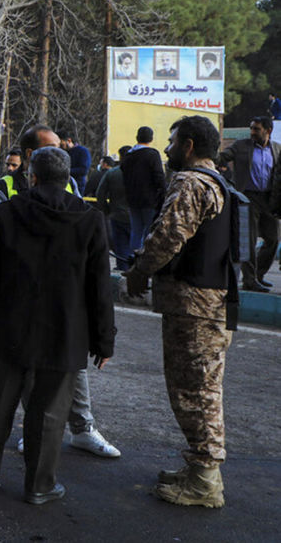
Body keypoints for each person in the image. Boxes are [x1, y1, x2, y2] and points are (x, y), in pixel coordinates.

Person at [0, 147, 115, 505]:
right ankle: (39, 485)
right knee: (50, 412)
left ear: (32, 176)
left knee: (0, 401)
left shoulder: (7, 213)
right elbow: (99, 287)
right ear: (68, 180)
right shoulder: (90, 219)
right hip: (65, 334)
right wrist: (104, 341)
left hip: (11, 327)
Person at [125, 116, 234, 508]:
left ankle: (205, 481)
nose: (168, 148)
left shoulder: (190, 182)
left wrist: (139, 271)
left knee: (196, 391)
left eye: (172, 142)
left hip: (195, 306)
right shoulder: (218, 181)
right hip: (209, 303)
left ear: (188, 146)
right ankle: (200, 470)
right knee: (199, 387)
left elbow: (169, 236)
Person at [215, 115, 281, 291]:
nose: (252, 132)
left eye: (256, 129)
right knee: (249, 241)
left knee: (273, 239)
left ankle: (259, 275)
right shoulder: (240, 146)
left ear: (268, 130)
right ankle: (250, 280)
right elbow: (222, 157)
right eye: (251, 128)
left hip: (269, 199)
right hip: (247, 198)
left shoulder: (277, 149)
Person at [122, 126, 167, 258]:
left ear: (137, 137)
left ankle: (133, 258)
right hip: (150, 200)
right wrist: (164, 193)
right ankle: (146, 259)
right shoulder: (152, 154)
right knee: (149, 231)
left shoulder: (128, 155)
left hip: (132, 199)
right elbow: (159, 176)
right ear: (151, 139)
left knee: (136, 231)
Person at [96, 149, 132, 270]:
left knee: (121, 247)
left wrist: (107, 210)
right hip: (138, 217)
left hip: (117, 215)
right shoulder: (141, 173)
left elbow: (100, 194)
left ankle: (122, 270)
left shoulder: (112, 173)